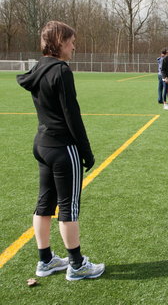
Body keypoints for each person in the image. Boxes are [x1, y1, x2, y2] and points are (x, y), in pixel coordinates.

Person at [16, 21, 105, 281]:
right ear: (59, 42)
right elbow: (72, 116)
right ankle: (76, 265)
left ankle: (45, 261)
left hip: (42, 143)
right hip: (63, 147)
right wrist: (86, 150)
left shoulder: (38, 68)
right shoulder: (61, 71)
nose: (74, 46)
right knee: (68, 207)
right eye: (71, 41)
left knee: (44, 204)